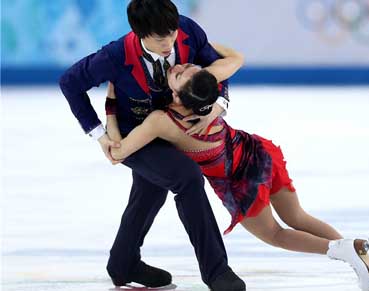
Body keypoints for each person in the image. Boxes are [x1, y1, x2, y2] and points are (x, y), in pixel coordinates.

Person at [105, 53, 369, 291]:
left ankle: (346, 251)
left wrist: (111, 106)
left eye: (183, 71)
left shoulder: (162, 120)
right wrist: (199, 50)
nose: (180, 65)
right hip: (257, 151)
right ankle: (359, 257)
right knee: (298, 217)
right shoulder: (206, 91)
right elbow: (234, 57)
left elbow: (118, 152)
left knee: (277, 234)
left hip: (240, 180)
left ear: (178, 98)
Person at [59, 0, 245, 290]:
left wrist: (220, 102)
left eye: (172, 33)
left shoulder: (186, 31)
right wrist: (99, 134)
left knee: (151, 190)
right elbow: (70, 82)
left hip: (171, 128)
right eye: (161, 39)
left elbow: (212, 71)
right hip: (135, 135)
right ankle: (217, 271)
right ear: (138, 33)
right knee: (187, 177)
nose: (170, 43)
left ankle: (122, 263)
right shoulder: (115, 56)